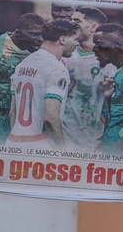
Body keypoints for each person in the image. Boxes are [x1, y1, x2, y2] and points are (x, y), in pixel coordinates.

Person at [6, 18, 78, 149]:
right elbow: (51, 118)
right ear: (62, 40)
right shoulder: (57, 69)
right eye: (75, 39)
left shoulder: (23, 64)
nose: (77, 44)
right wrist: (63, 150)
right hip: (38, 144)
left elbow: (13, 113)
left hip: (12, 142)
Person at [0, 13, 45, 144]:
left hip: (22, 126)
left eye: (42, 34)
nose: (39, 39)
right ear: (18, 33)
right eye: (33, 34)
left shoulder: (40, 52)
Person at [62, 6, 107, 152]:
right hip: (62, 133)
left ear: (93, 27)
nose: (71, 24)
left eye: (77, 21)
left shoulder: (107, 60)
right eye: (71, 20)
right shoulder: (63, 52)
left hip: (91, 137)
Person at [95, 23, 123, 157]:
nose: (94, 49)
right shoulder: (119, 72)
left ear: (117, 46)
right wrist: (107, 98)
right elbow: (118, 116)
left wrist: (118, 147)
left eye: (99, 44)